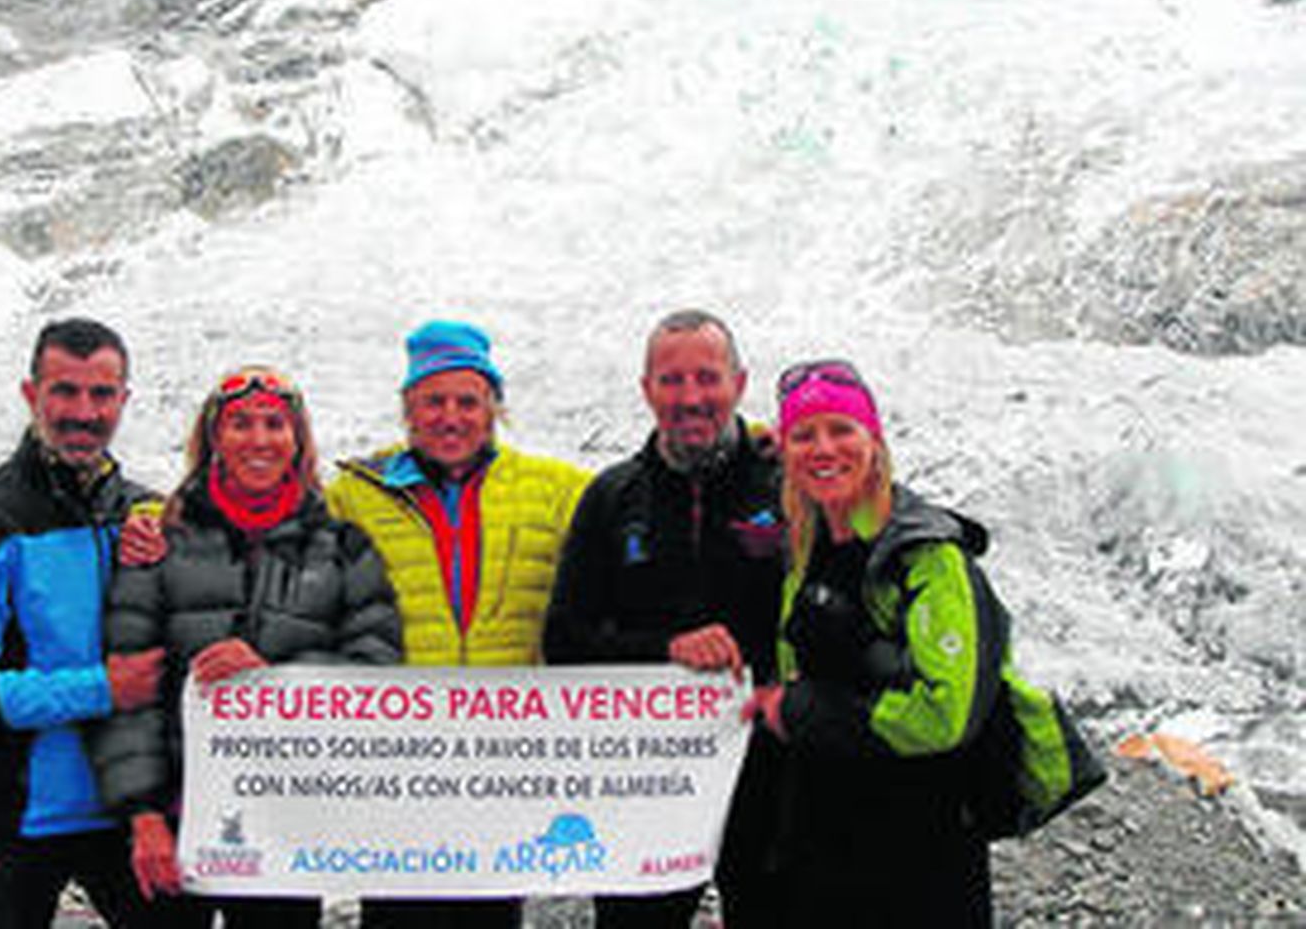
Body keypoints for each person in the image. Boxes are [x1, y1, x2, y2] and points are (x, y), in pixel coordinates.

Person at [88, 365, 401, 926]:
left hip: (285, 820)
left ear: (297, 440)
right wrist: (143, 816)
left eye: (275, 424)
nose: (259, 440)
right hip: (178, 819)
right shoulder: (160, 542)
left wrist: (276, 678)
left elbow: (376, 668)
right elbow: (127, 688)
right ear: (214, 437)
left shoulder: (342, 547)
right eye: (241, 424)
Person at [326, 320, 590, 927]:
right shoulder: (353, 496)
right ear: (408, 409)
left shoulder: (554, 489)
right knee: (396, 914)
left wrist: (750, 453)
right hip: (396, 768)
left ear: (494, 407)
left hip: (501, 764)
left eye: (468, 402)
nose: (451, 418)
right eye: (433, 401)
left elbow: (640, 498)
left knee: (491, 913)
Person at [0, 318, 164, 928]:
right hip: (12, 817)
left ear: (124, 400)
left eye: (101, 394)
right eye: (65, 391)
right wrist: (103, 688)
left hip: (129, 814)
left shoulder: (147, 516)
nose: (84, 412)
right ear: (32, 395)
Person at [542, 308, 784, 927]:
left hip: (772, 770)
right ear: (646, 389)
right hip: (650, 780)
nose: (690, 397)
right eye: (672, 380)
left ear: (740, 383)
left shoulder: (788, 486)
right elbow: (564, 640)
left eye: (708, 378)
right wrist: (666, 648)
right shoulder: (613, 495)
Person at [741, 359, 999, 926]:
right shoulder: (809, 545)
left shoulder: (927, 554)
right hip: (826, 834)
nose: (823, 449)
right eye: (804, 436)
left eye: (841, 429)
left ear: (874, 440)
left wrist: (799, 710)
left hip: (920, 847)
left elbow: (945, 714)